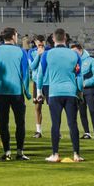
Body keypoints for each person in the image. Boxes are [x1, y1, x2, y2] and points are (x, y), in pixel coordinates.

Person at [36, 28, 84, 162]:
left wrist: (39, 92)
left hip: (54, 93)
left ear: (53, 39)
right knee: (73, 124)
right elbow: (79, 76)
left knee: (55, 124)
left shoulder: (47, 54)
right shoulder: (75, 55)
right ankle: (76, 154)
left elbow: (40, 74)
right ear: (65, 38)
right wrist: (80, 93)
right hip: (71, 93)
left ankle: (55, 154)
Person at [0, 27, 31, 159]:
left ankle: (7, 152)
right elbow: (25, 74)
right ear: (13, 36)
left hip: (1, 91)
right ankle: (20, 152)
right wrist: (27, 92)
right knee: (20, 122)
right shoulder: (21, 51)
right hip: (16, 92)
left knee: (3, 122)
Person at [78, 47, 94, 139]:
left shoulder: (91, 60)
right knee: (82, 112)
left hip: (90, 89)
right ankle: (87, 133)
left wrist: (85, 83)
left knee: (92, 110)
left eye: (75, 51)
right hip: (79, 90)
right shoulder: (74, 61)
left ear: (80, 50)